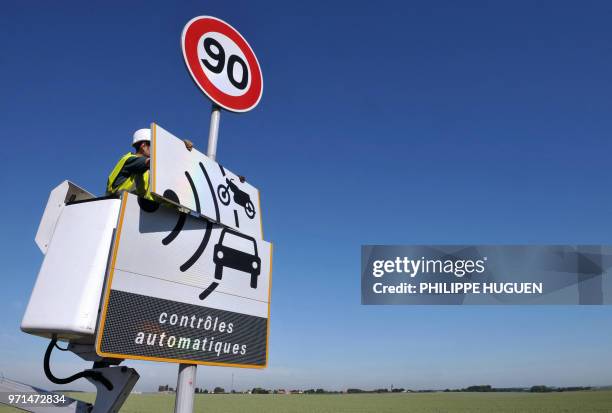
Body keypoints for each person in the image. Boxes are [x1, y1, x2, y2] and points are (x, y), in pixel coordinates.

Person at [106, 128, 193, 199]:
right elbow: (151, 162)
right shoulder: (130, 160)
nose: (157, 150)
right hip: (118, 208)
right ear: (143, 146)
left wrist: (181, 150)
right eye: (154, 146)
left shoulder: (148, 172)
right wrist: (177, 149)